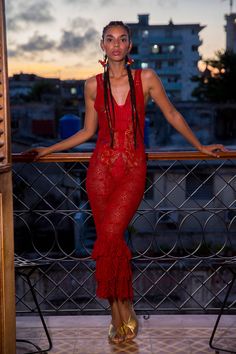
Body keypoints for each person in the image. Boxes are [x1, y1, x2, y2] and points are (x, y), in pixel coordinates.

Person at [26, 21, 227, 344]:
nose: (116, 44)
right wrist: (47, 149)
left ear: (129, 45)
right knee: (109, 242)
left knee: (109, 236)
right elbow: (86, 132)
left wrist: (200, 147)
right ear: (102, 45)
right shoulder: (92, 85)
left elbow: (172, 114)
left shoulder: (145, 78)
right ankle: (119, 313)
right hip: (100, 170)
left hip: (133, 169)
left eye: (122, 39)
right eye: (110, 39)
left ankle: (123, 311)